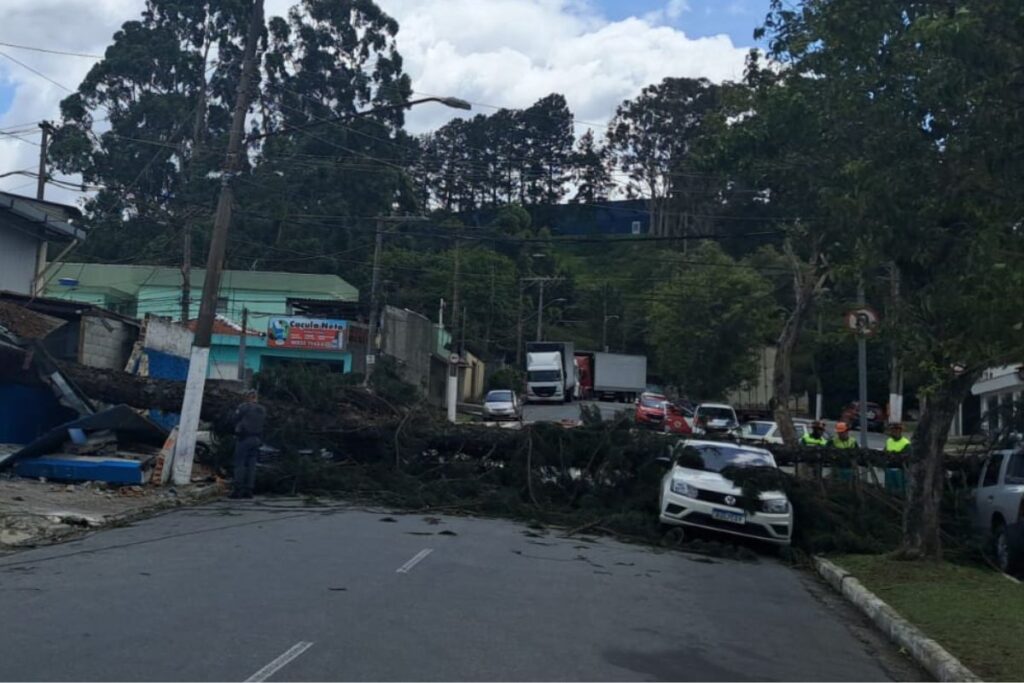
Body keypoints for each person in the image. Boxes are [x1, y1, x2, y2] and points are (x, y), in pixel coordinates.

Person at [231, 388, 266, 499]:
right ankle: (249, 490)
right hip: (256, 439)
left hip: (244, 438)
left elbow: (234, 418)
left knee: (240, 463)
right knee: (252, 465)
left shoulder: (244, 407)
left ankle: (238, 490)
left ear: (248, 397)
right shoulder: (262, 409)